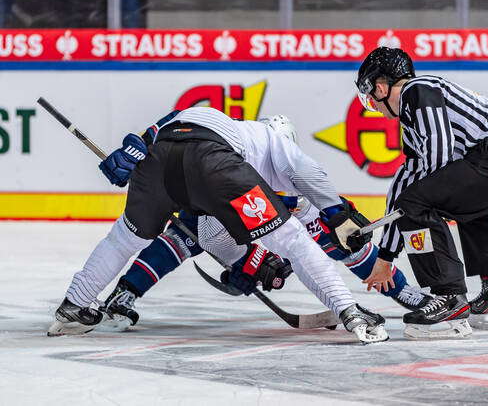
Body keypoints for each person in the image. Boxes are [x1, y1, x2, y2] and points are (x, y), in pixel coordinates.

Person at [48, 107, 389, 344]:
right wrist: (338, 211)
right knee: (294, 241)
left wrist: (131, 153)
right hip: (211, 162)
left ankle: (74, 306)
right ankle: (350, 312)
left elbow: (209, 231)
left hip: (161, 158)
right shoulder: (272, 142)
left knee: (122, 238)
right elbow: (311, 176)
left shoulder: (223, 124)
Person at [356, 47, 488, 339]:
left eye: (370, 98)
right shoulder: (415, 120)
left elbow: (432, 165)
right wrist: (385, 257)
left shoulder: (417, 90)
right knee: (468, 201)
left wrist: (417, 204)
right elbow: (404, 182)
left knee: (419, 201)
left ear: (380, 87)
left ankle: (448, 295)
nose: (373, 106)